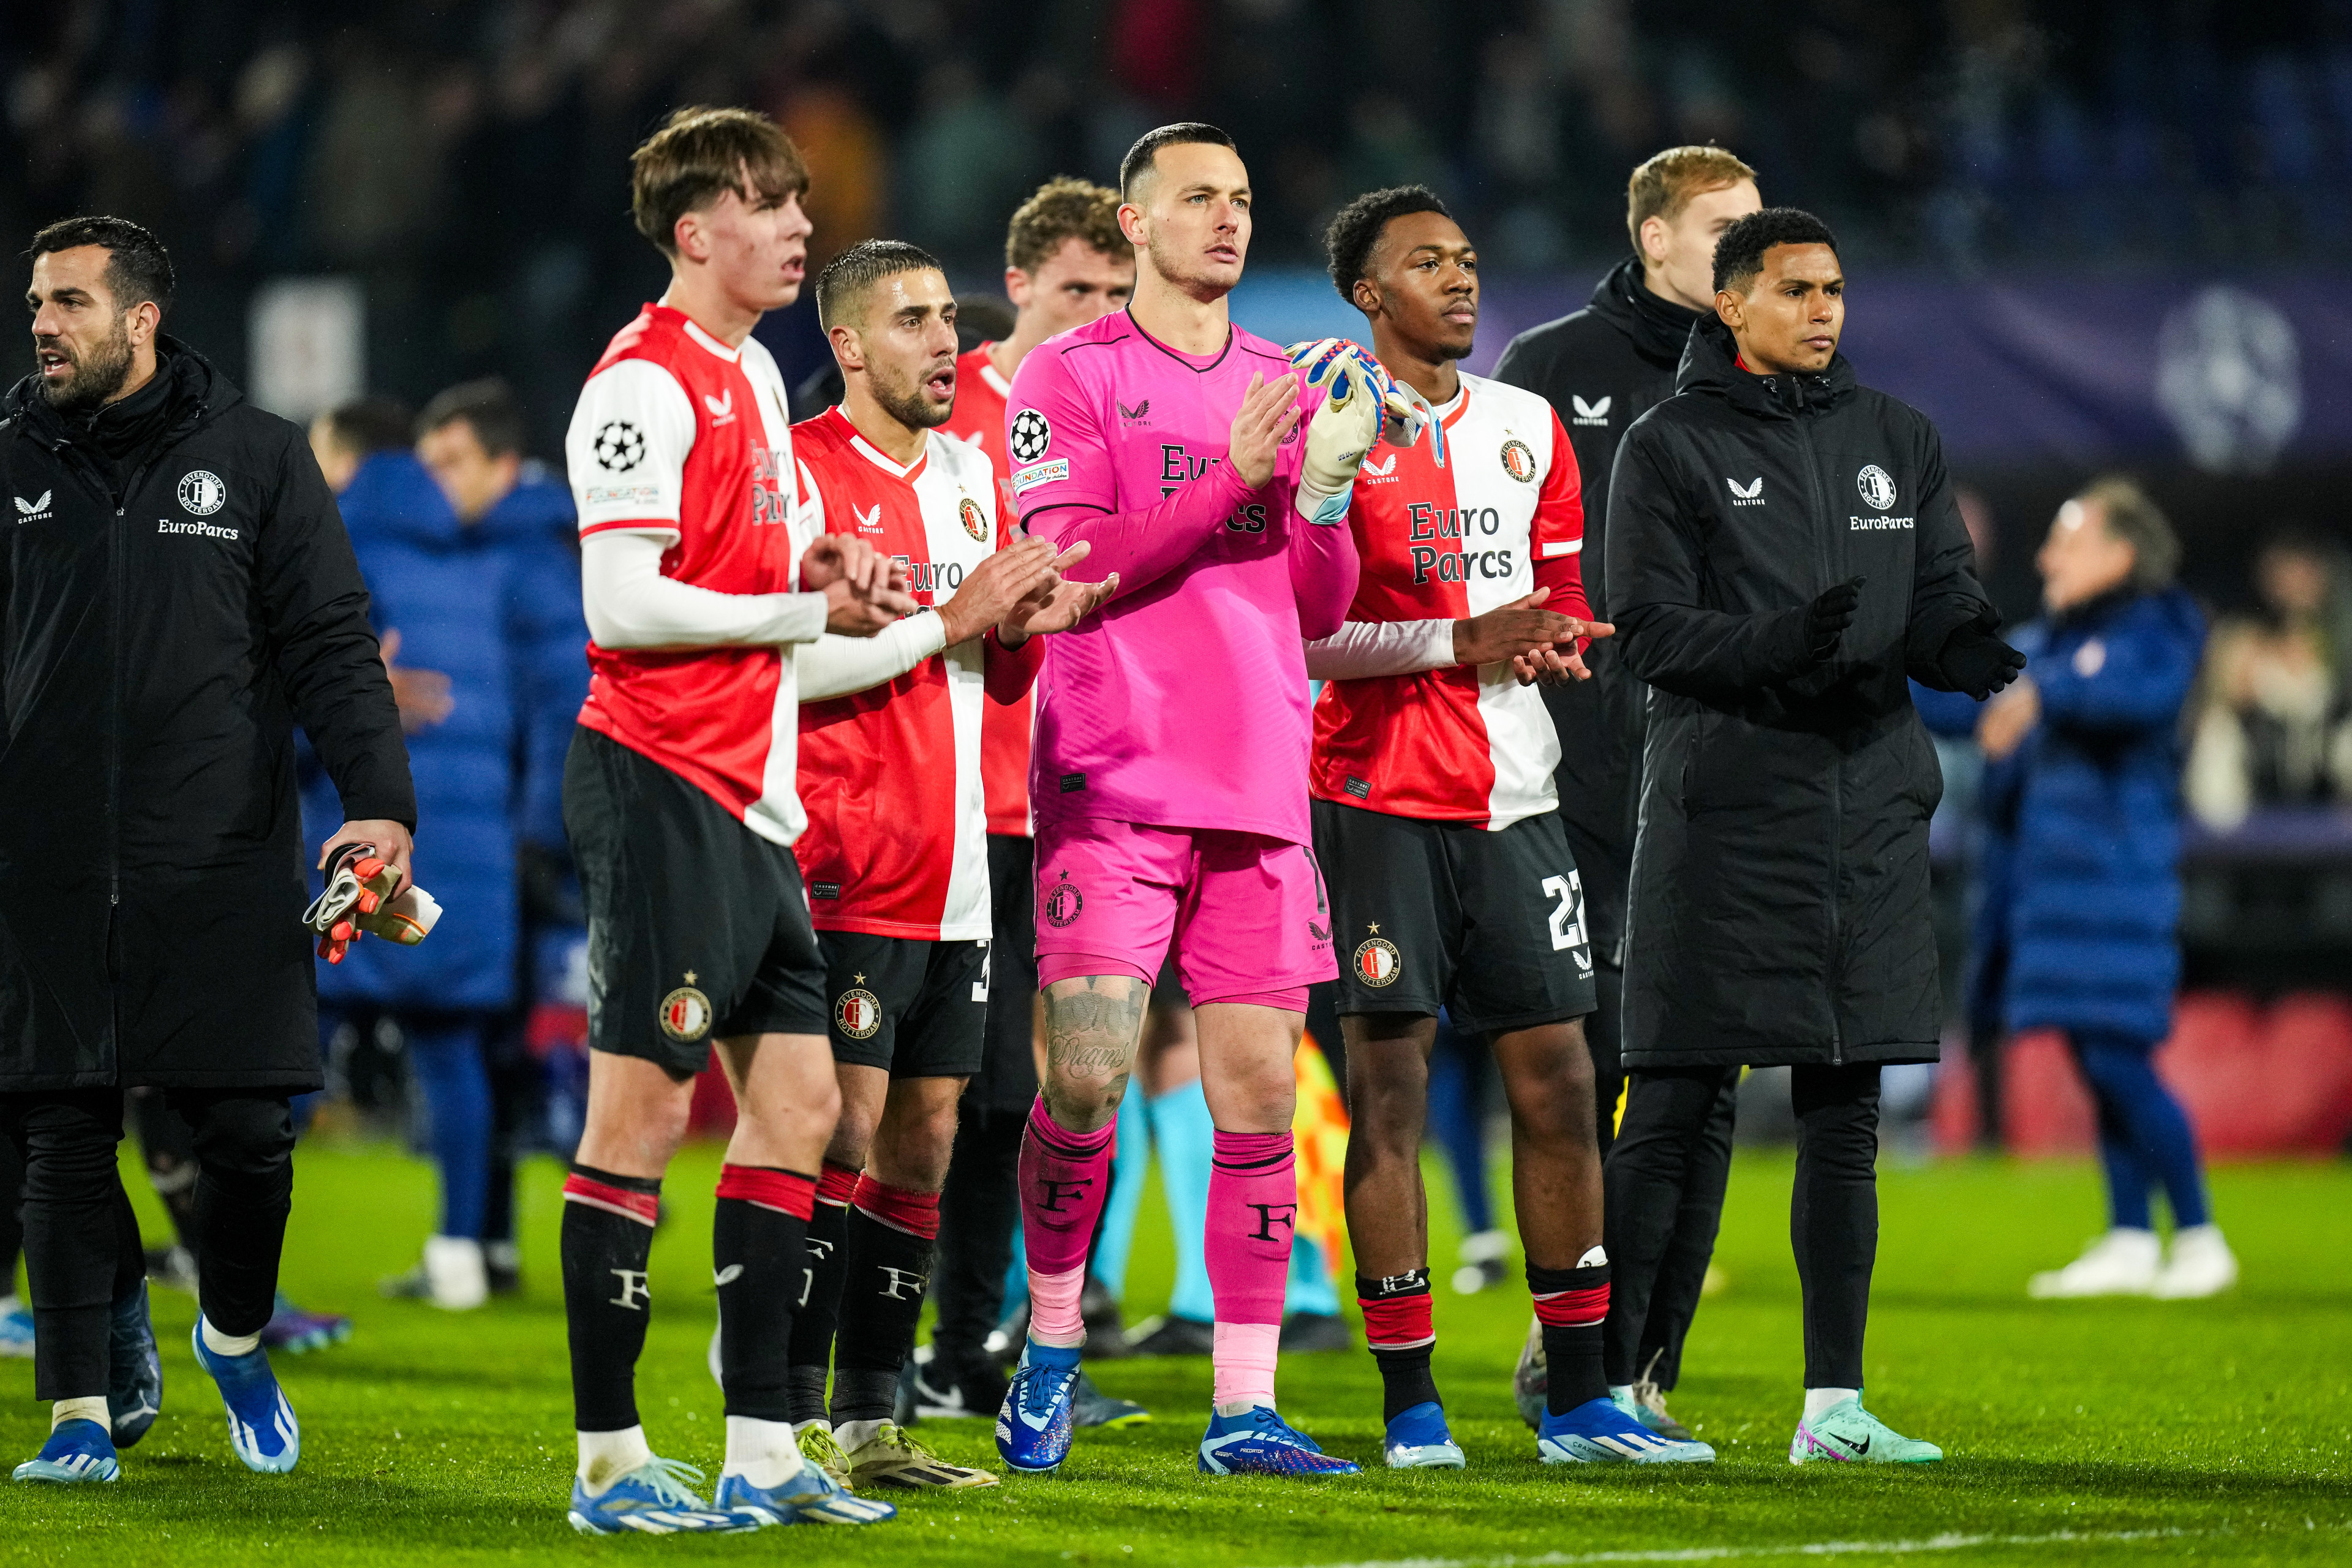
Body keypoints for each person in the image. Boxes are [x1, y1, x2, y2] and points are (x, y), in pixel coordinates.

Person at [992, 122, 1427, 1480]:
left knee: (1254, 1105)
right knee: (1086, 1075)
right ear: (1133, 225)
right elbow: (1066, 560)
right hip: (1114, 776)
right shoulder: (1066, 375)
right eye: (1197, 198)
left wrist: (1330, 487)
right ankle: (1051, 1349)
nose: (1228, 219)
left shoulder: (1283, 383)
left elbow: (1313, 603)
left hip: (1255, 782)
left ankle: (1244, 1406)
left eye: (1241, 198)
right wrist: (1238, 474)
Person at [1606, 206, 2024, 1467]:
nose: (1826, 308)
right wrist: (1778, 643)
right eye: (1797, 289)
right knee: (1673, 1103)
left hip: (1866, 818)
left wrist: (1964, 646)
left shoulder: (1897, 436)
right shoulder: (1668, 444)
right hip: (1726, 815)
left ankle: (1831, 1406)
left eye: (1836, 287)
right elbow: (1647, 628)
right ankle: (1608, 1391)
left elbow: (1942, 591)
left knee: (1849, 1114)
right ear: (1730, 303)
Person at [1, 216, 416, 1482]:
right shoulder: (10, 454)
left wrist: (383, 804)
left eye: (68, 300)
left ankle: (232, 1333)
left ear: (141, 319)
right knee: (62, 1133)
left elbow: (335, 648)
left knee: (246, 1136)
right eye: (34, 300)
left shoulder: (258, 460)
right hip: (48, 867)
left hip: (223, 860)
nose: (40, 322)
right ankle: (80, 1412)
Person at [1303, 185, 1709, 1469]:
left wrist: (1560, 639)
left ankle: (1583, 1394)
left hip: (1520, 801)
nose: (1463, 280)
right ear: (1371, 294)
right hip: (1373, 801)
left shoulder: (1532, 427)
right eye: (1428, 263)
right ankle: (1413, 1406)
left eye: (1470, 258)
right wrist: (1455, 639)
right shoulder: (1329, 424)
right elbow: (1304, 634)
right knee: (1392, 1094)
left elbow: (1567, 590)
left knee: (1564, 1078)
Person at [555, 106, 908, 1533]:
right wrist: (796, 605)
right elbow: (619, 601)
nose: (798, 228)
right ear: (696, 233)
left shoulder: (756, 373)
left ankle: (763, 1443)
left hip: (751, 797)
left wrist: (815, 565)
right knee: (638, 1115)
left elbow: (737, 565)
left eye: (798, 202)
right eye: (767, 207)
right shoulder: (635, 385)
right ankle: (606, 1457)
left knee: (808, 1108)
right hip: (658, 781)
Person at [780, 239, 1107, 1490]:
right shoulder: (800, 476)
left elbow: (991, 666)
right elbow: (788, 664)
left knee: (924, 1140)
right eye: (910, 321)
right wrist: (952, 617)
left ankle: (872, 1415)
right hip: (844, 854)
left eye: (946, 320)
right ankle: (786, 1415)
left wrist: (1020, 629)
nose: (942, 342)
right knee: (840, 1134)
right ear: (850, 346)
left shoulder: (977, 473)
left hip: (960, 862)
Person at [1493, 146, 1760, 1439]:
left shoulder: (1775, 375)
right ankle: (1576, 1340)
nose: (1746, 253)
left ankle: (1646, 1358)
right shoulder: (1551, 369)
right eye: (1723, 230)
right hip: (1583, 781)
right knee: (1588, 1066)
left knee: (1701, 1077)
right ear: (1654, 236)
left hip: (1726, 780)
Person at [922, 176, 1146, 1426]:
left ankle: (991, 1347)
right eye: (1077, 290)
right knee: (935, 1088)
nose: (1097, 313)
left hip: (1089, 789)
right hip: (959, 791)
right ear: (1017, 285)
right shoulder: (944, 400)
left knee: (1060, 1081)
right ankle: (913, 1348)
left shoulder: (1126, 406)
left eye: (1117, 292)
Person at [302, 382, 586, 1311]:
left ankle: (229, 1246)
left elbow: (297, 708)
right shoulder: (485, 569)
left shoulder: (332, 547)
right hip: (470, 857)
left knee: (289, 1043)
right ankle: (464, 1255)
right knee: (454, 1050)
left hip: (356, 842)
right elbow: (534, 717)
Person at [1991, 480, 2235, 1300]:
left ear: (2120, 553)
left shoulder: (2158, 625)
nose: (2046, 556)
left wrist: (2041, 695)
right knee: (2097, 1060)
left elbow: (2137, 695)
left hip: (2119, 881)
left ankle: (2200, 1236)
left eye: (2068, 538)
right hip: (2061, 889)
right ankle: (2132, 1234)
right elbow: (1975, 697)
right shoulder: (2058, 640)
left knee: (2119, 1058)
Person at [411, 378, 589, 1297]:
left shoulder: (527, 558)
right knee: (499, 1042)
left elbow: (563, 705)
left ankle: (493, 1242)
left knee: (504, 1041)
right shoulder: (509, 549)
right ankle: (493, 1241)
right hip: (515, 830)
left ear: (502, 463)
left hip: (528, 840)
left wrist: (532, 836)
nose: (436, 482)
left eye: (451, 463)